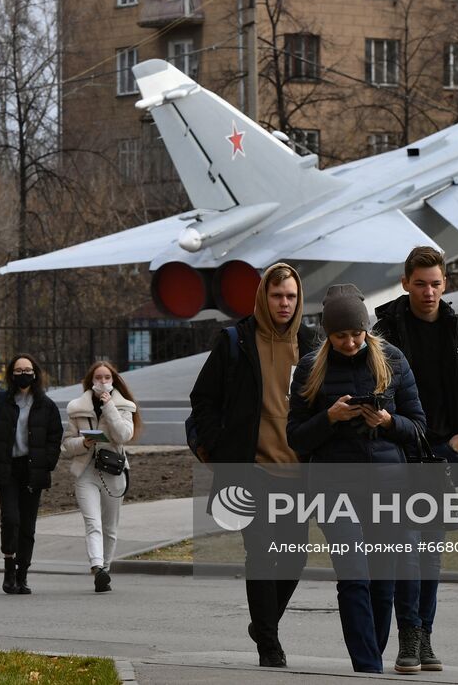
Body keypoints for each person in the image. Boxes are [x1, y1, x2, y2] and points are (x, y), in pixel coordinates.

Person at [287, 283, 426, 675]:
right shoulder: (312, 366)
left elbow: (418, 427)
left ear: (366, 329)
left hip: (388, 484)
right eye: (340, 335)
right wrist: (329, 419)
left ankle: (373, 657)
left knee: (383, 581)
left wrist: (387, 421)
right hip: (334, 486)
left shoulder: (392, 360)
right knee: (353, 575)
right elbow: (295, 437)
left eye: (356, 334)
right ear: (328, 334)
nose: (350, 343)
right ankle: (367, 668)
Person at [374, 246, 458, 674]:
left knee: (430, 552)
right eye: (420, 283)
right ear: (406, 283)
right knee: (406, 549)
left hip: (447, 456)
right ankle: (408, 634)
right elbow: (374, 389)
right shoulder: (384, 333)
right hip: (401, 456)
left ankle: (424, 635)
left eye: (436, 284)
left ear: (446, 285)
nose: (429, 292)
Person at [189, 262, 316, 668]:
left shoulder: (313, 344)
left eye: (291, 296)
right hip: (251, 471)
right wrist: (219, 449)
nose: (284, 303)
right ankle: (269, 644)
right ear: (264, 296)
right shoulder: (236, 340)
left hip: (297, 473)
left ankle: (264, 622)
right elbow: (203, 400)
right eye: (277, 295)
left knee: (294, 556)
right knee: (261, 555)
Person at [0, 353, 62, 596]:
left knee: (28, 525)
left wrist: (47, 463)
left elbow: (54, 438)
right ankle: (9, 566)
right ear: (11, 374)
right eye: (19, 370)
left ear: (35, 373)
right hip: (6, 469)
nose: (24, 374)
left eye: (28, 370)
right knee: (11, 518)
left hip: (33, 469)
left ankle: (23, 574)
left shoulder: (46, 405)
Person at [60, 359, 140, 593]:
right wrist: (84, 442)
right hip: (86, 471)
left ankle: (105, 568)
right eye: (98, 378)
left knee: (110, 526)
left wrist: (109, 407)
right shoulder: (77, 408)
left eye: (107, 378)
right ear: (90, 381)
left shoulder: (124, 406)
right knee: (92, 521)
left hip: (113, 471)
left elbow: (124, 435)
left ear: (114, 381)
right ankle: (97, 567)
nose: (102, 382)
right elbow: (66, 445)